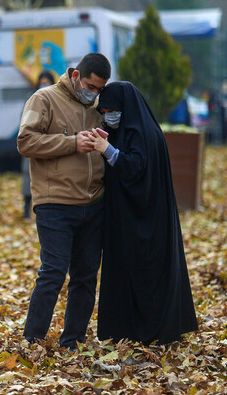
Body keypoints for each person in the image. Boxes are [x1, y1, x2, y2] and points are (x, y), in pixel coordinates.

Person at [85, 81, 198, 345]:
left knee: (148, 273)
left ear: (126, 107)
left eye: (112, 110)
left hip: (148, 220)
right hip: (130, 219)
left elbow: (136, 168)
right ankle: (127, 329)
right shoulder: (130, 130)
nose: (108, 115)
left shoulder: (144, 133)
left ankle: (153, 329)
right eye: (104, 111)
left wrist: (108, 151)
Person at [17, 53, 110, 349]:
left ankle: (73, 341)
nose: (94, 94)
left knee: (85, 277)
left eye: (100, 89)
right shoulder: (44, 99)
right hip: (54, 202)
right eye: (91, 86)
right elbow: (25, 141)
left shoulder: (98, 106)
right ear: (76, 76)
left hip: (93, 203)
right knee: (53, 273)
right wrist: (71, 143)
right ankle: (32, 340)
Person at [21, 70, 56, 220]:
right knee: (27, 177)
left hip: (50, 146)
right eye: (41, 83)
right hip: (33, 146)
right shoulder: (32, 101)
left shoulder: (56, 102)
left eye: (46, 82)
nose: (43, 86)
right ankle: (26, 208)